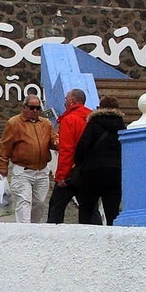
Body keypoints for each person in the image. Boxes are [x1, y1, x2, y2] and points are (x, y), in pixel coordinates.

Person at [0, 92, 56, 223]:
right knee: (24, 201)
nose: (35, 111)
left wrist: (61, 142)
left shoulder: (46, 124)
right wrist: (3, 167)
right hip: (23, 171)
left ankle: (32, 229)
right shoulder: (14, 123)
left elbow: (53, 141)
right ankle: (24, 230)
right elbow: (5, 146)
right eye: (32, 107)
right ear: (24, 107)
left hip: (42, 171)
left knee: (39, 203)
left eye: (38, 108)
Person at [71, 95, 128, 225]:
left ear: (100, 107)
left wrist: (80, 164)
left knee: (87, 209)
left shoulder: (93, 123)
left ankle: (86, 237)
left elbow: (82, 147)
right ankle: (112, 239)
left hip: (92, 172)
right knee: (112, 211)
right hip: (115, 172)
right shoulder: (122, 126)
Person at [47, 88, 98, 224]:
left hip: (72, 172)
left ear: (72, 101)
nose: (64, 102)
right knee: (91, 209)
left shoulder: (70, 119)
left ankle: (52, 236)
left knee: (56, 207)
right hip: (89, 171)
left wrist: (62, 175)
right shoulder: (92, 118)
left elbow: (67, 149)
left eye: (66, 99)